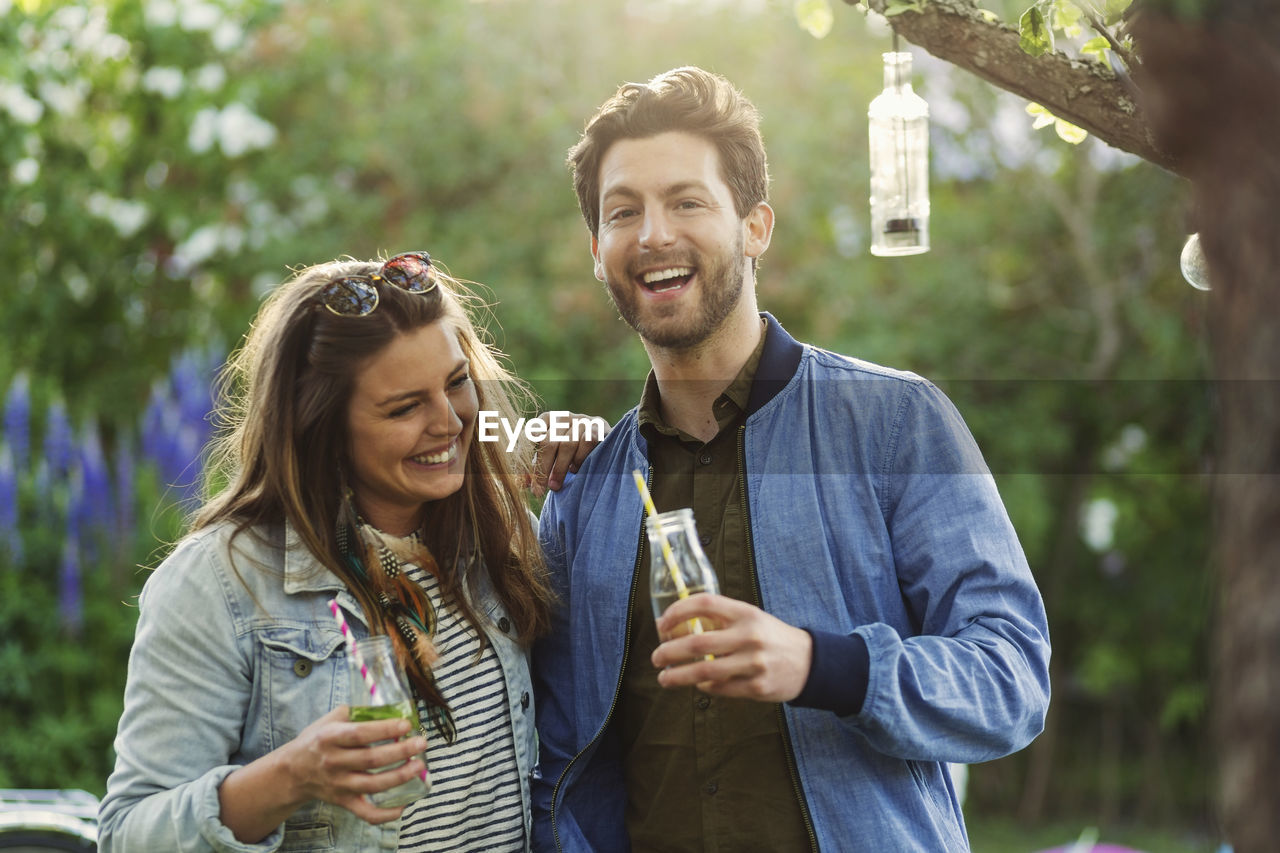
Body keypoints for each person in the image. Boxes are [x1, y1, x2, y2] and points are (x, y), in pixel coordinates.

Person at [530, 67, 1051, 852]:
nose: (654, 235)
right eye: (624, 212)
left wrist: (823, 664)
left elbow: (1010, 676)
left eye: (688, 201)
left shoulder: (894, 422)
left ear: (755, 226)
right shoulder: (581, 491)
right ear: (597, 250)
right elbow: (551, 752)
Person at [99, 252, 603, 852]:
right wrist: (290, 776)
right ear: (323, 426)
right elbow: (128, 834)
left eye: (456, 382)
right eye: (404, 407)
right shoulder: (221, 581)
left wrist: (594, 450)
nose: (448, 422)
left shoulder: (495, 533)